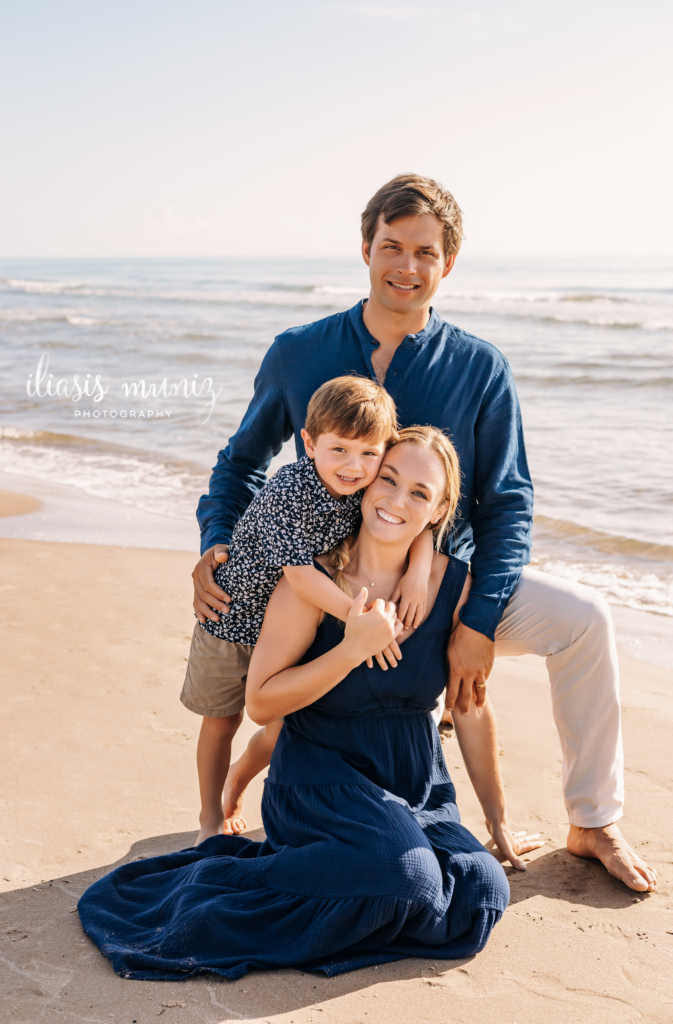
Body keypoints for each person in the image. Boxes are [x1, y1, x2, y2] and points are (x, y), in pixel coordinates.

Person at [193, 174, 656, 893]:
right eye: (391, 247)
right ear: (365, 248)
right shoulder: (299, 351)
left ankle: (591, 818)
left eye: (425, 253)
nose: (406, 267)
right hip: (325, 589)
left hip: (444, 585)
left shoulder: (479, 366)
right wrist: (216, 543)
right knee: (276, 709)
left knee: (584, 620)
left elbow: (507, 502)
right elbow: (240, 464)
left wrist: (474, 618)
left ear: (447, 264)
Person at [79, 428, 540, 979]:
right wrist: (349, 650)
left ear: (440, 509)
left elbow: (468, 706)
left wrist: (498, 818)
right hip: (319, 774)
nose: (396, 500)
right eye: (387, 479)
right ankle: (330, 878)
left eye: (419, 493)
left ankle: (374, 882)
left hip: (414, 780)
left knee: (486, 888)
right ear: (366, 481)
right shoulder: (311, 580)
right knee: (408, 879)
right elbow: (261, 703)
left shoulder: (452, 585)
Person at [182, 375, 435, 842]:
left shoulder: (366, 485)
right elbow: (299, 576)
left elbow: (414, 520)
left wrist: (419, 569)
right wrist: (356, 620)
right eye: (339, 449)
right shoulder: (290, 489)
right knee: (221, 721)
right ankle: (209, 818)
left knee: (286, 727)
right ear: (310, 442)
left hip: (286, 627)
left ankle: (241, 777)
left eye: (368, 453)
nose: (353, 466)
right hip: (230, 618)